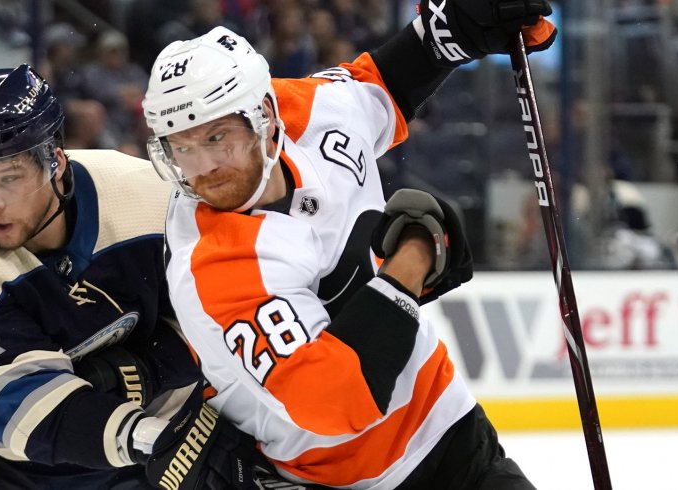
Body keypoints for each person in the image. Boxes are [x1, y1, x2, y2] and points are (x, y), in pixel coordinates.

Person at [142, 0, 556, 487]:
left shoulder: (308, 110)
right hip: (343, 478)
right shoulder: (212, 265)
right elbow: (340, 400)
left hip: (447, 424)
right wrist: (414, 256)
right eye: (181, 147)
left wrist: (456, 28)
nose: (202, 167)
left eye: (217, 137)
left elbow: (384, 84)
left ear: (266, 117)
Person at [0, 64, 274, 489]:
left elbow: (219, 320)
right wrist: (149, 428)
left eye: (10, 177)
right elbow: (29, 409)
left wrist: (147, 373)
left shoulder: (149, 200)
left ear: (54, 161)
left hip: (141, 449)